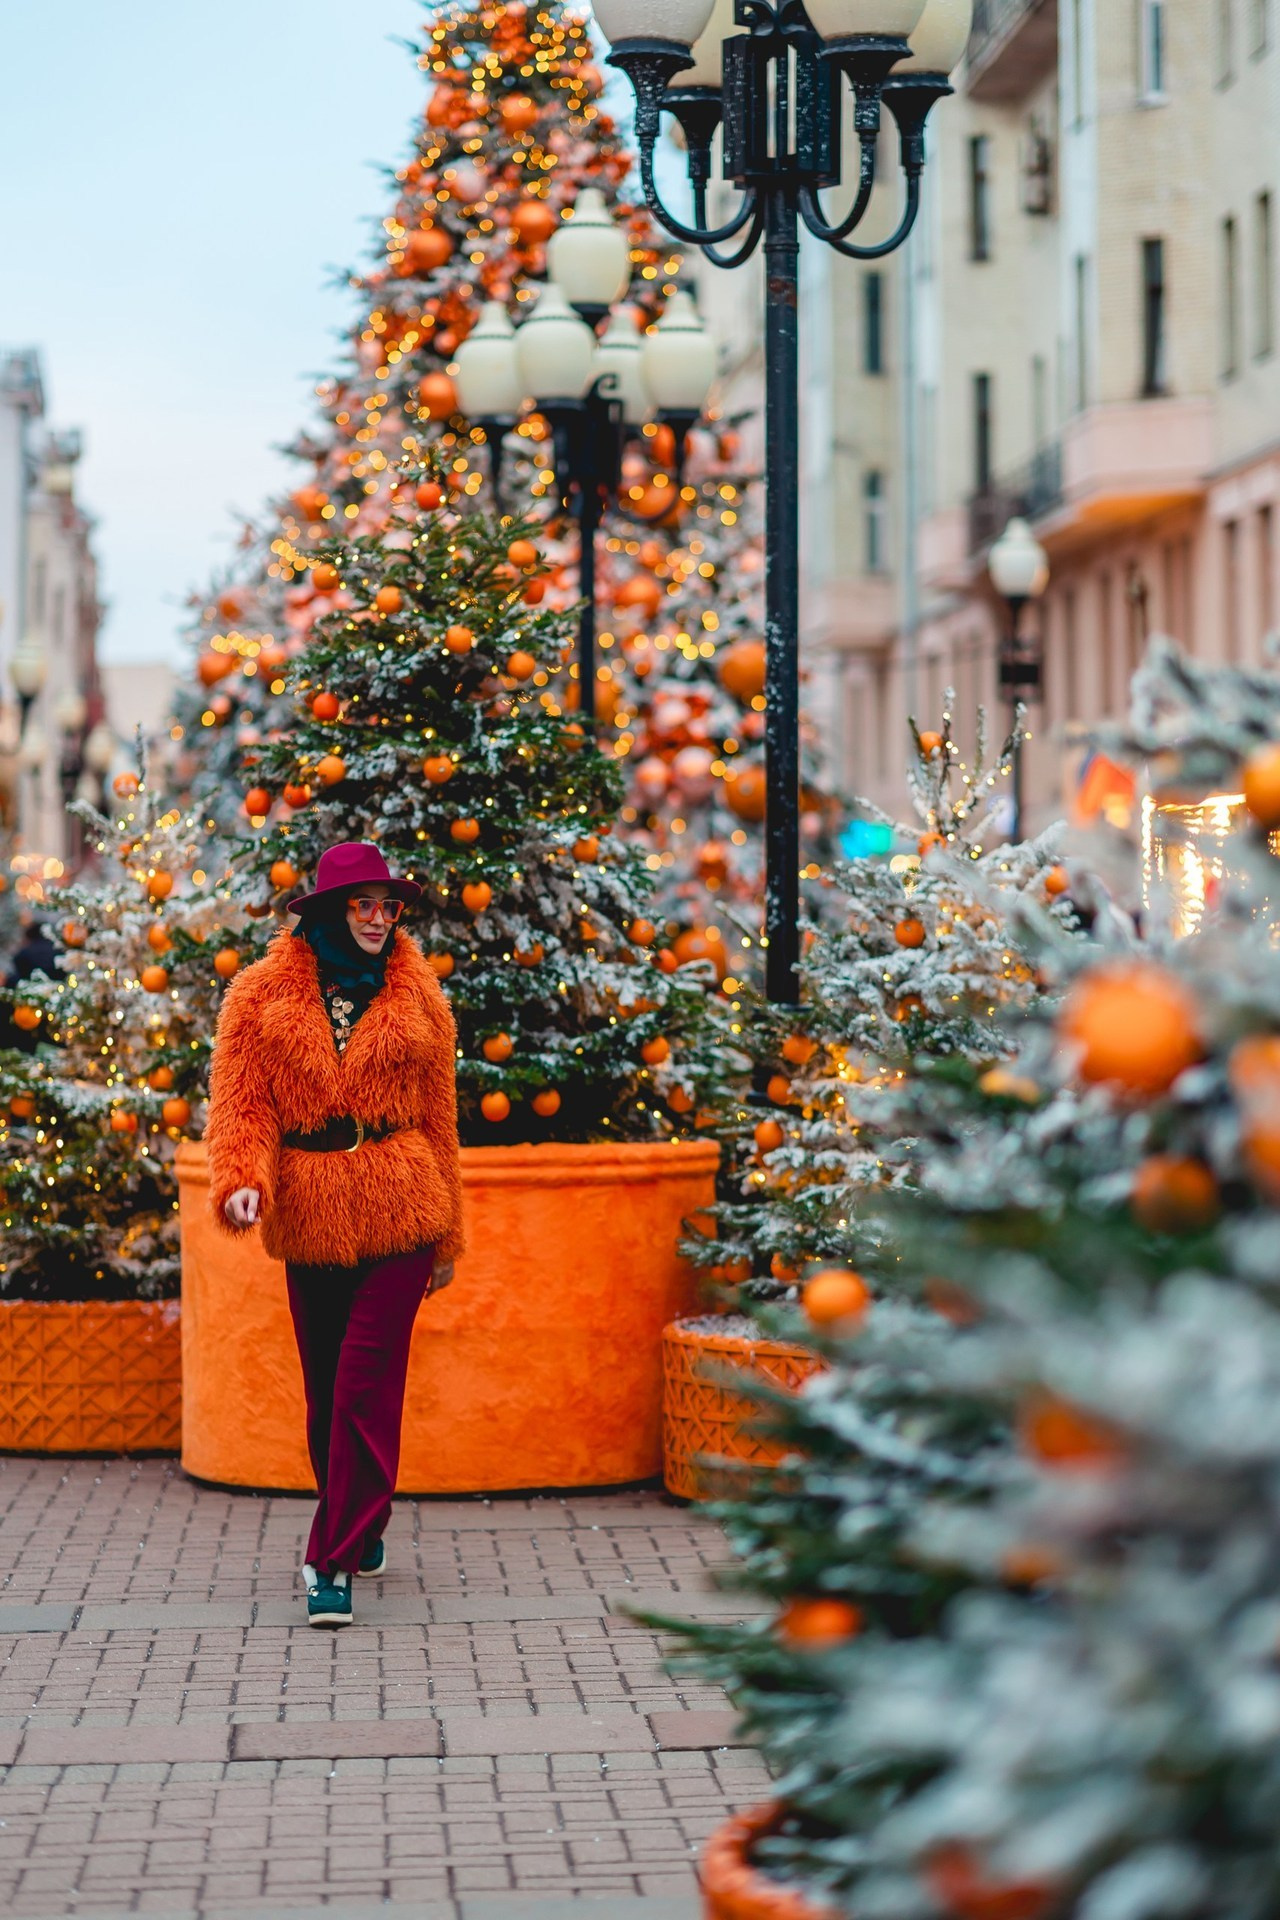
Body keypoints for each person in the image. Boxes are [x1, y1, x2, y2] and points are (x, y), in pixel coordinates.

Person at [205, 841, 465, 1628]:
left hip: (400, 1200)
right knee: (325, 1397)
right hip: (311, 1208)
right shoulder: (258, 996)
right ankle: (368, 1520)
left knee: (363, 1385)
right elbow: (241, 1105)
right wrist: (242, 1183)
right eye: (365, 905)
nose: (382, 919)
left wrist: (448, 1232)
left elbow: (441, 1121)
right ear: (326, 909)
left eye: (390, 906)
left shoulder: (421, 996)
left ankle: (332, 1559)